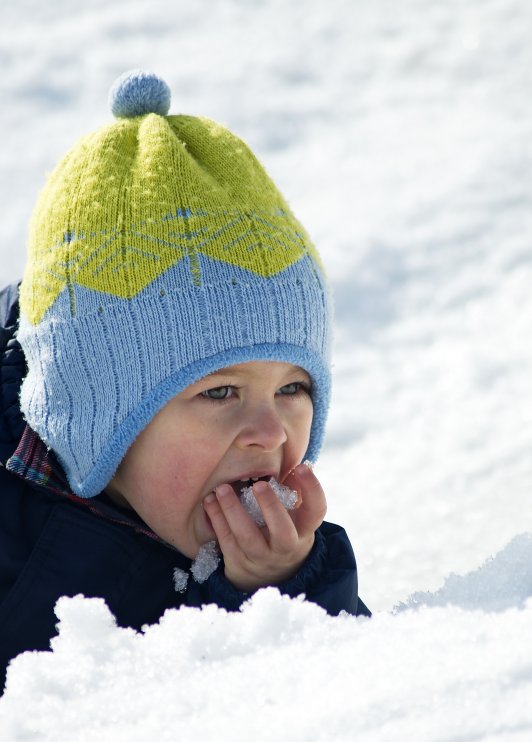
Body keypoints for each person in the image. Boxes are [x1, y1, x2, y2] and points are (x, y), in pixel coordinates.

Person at [0, 70, 370, 689]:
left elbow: (344, 710)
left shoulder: (271, 551)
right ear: (92, 413)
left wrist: (282, 587)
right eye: (219, 392)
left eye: (293, 389)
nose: (268, 432)